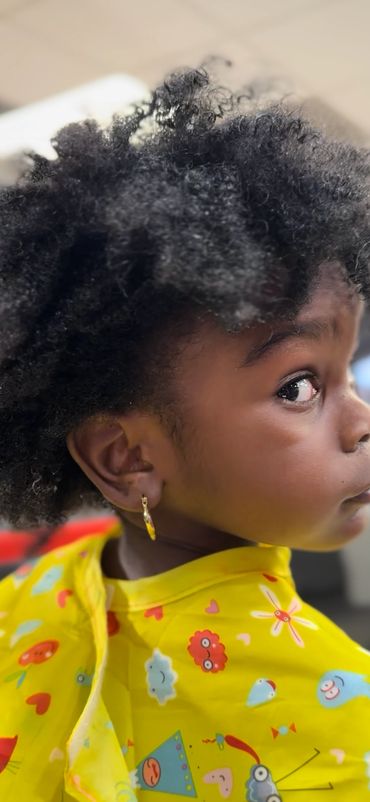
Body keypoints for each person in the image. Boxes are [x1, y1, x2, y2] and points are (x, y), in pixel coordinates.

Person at [0, 63, 369, 802]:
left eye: (348, 372)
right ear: (126, 458)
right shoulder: (344, 721)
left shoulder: (29, 593)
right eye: (299, 387)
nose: (362, 421)